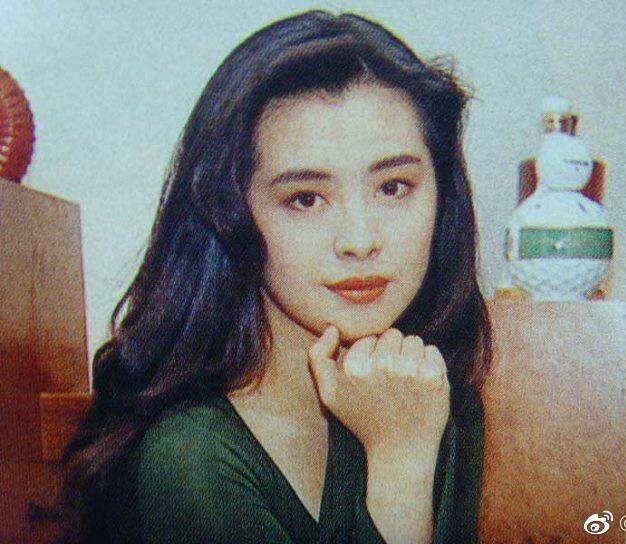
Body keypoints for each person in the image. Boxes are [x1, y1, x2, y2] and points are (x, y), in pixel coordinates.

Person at [51, 9, 491, 544]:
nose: (360, 240)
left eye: (393, 187)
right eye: (305, 199)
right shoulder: (190, 455)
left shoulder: (428, 395)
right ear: (231, 212)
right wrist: (399, 465)